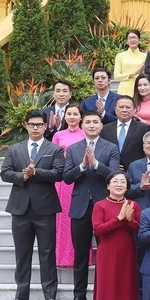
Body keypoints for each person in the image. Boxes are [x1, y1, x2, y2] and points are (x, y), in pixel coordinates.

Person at [0, 110, 65, 300]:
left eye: (39, 124)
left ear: (46, 126)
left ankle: (50, 296)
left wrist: (36, 172)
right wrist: (23, 176)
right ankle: (21, 296)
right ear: (26, 126)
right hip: (20, 209)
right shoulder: (15, 149)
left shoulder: (54, 149)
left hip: (45, 209)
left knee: (47, 253)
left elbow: (58, 173)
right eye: (32, 124)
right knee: (22, 254)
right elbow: (5, 173)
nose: (35, 127)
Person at [63, 111, 121, 300]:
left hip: (104, 207)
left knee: (106, 254)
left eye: (95, 122)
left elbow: (114, 175)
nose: (92, 125)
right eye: (87, 122)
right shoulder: (73, 149)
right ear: (82, 124)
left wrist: (95, 163)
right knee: (80, 255)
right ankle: (79, 297)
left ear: (101, 125)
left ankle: (107, 296)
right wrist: (82, 165)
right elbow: (67, 177)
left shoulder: (111, 148)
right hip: (80, 208)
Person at [89, 171, 141, 300]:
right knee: (108, 299)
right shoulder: (100, 205)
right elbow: (98, 229)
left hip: (127, 253)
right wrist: (118, 219)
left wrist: (129, 219)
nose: (119, 184)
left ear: (127, 186)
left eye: (123, 182)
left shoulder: (133, 205)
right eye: (115, 181)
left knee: (126, 298)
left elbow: (138, 229)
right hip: (107, 254)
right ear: (108, 185)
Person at [51, 104, 86, 267]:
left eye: (75, 114)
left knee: (78, 218)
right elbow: (53, 158)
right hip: (63, 181)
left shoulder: (86, 133)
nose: (72, 117)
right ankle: (62, 257)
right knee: (63, 218)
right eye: (69, 114)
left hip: (81, 179)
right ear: (65, 116)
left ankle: (79, 256)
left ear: (81, 117)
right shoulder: (58, 135)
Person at [101, 95, 150, 172]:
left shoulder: (143, 128)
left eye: (128, 107)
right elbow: (103, 152)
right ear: (115, 110)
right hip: (111, 173)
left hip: (136, 172)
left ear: (134, 110)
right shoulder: (105, 129)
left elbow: (146, 152)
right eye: (121, 107)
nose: (124, 110)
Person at [114, 29, 146, 97]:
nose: (132, 40)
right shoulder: (120, 56)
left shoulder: (145, 56)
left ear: (139, 41)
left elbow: (147, 75)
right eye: (130, 38)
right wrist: (131, 74)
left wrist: (140, 73)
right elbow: (116, 76)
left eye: (134, 37)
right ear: (127, 41)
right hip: (124, 88)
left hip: (140, 88)